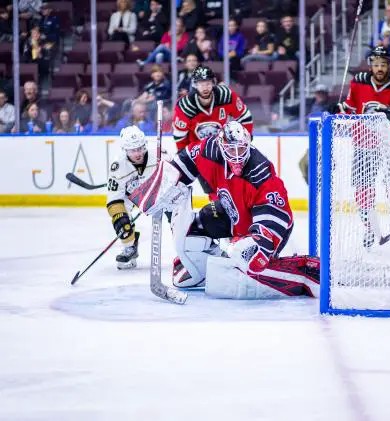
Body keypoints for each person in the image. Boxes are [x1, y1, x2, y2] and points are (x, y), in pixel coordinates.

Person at [130, 121, 320, 298]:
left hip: (268, 229)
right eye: (231, 149)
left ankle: (302, 273)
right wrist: (163, 184)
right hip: (234, 214)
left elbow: (277, 214)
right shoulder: (209, 150)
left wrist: (261, 242)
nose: (237, 155)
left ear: (248, 144)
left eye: (241, 148)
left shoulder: (260, 171)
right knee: (193, 228)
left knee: (245, 256)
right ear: (221, 146)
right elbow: (184, 161)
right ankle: (204, 270)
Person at [331, 46, 390, 246]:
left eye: (383, 64)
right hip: (363, 145)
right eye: (376, 64)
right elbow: (351, 110)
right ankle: (370, 228)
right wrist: (339, 110)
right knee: (363, 191)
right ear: (371, 65)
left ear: (388, 65)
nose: (379, 68)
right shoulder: (359, 82)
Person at [106, 126, 159, 269]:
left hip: (160, 192)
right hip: (131, 195)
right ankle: (130, 246)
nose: (138, 153)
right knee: (120, 217)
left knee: (177, 213)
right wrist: (122, 220)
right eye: (132, 150)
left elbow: (176, 174)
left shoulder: (159, 155)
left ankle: (185, 249)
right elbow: (113, 200)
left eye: (140, 148)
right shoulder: (118, 166)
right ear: (125, 150)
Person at [172, 65, 253, 152]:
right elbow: (179, 136)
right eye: (201, 84)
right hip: (196, 152)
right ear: (195, 85)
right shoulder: (185, 106)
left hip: (222, 149)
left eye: (208, 83)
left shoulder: (226, 96)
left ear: (213, 82)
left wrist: (244, 140)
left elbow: (245, 117)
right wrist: (184, 155)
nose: (205, 88)